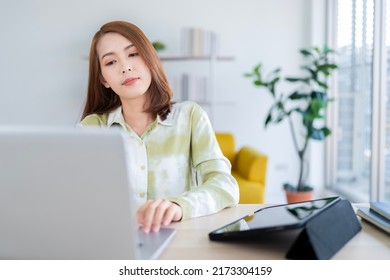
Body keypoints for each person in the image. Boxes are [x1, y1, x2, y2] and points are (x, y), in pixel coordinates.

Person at [79, 20, 239, 233]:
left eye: (133, 54)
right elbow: (78, 197)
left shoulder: (190, 116)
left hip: (179, 242)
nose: (125, 67)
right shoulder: (91, 129)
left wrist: (178, 206)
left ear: (149, 59)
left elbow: (224, 185)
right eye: (110, 62)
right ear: (104, 80)